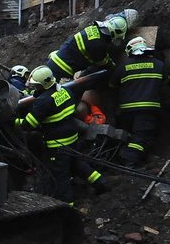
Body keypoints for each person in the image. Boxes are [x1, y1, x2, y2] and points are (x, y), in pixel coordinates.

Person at [14, 66, 106, 205]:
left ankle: (68, 206)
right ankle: (101, 183)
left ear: (42, 85)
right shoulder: (64, 90)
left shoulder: (43, 101)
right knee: (77, 164)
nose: (34, 88)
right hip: (72, 138)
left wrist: (13, 121)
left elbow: (28, 125)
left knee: (60, 176)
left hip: (57, 145)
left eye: (36, 86)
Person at [111, 35, 164, 166]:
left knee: (128, 136)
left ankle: (121, 159)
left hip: (126, 111)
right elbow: (165, 81)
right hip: (148, 110)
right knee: (141, 138)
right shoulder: (159, 65)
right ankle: (129, 164)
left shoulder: (123, 66)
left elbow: (112, 85)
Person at [44, 8, 139, 80]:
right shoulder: (99, 45)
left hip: (55, 61)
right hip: (63, 70)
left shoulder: (93, 29)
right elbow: (106, 63)